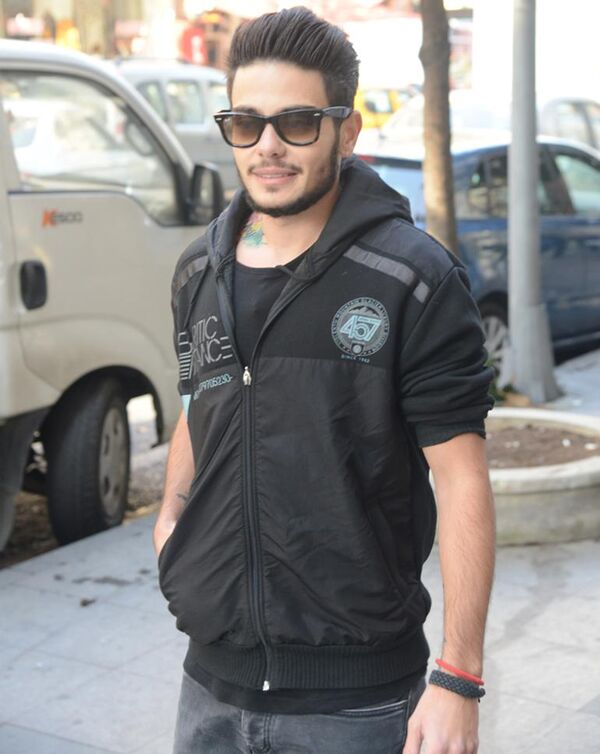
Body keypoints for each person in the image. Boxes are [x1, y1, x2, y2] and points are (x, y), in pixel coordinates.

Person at [154, 7, 496, 754]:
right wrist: (171, 518)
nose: (268, 146)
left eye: (298, 122)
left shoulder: (413, 278)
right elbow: (198, 401)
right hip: (208, 684)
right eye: (246, 123)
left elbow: (461, 478)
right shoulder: (198, 269)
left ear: (347, 132)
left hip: (357, 704)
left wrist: (459, 677)